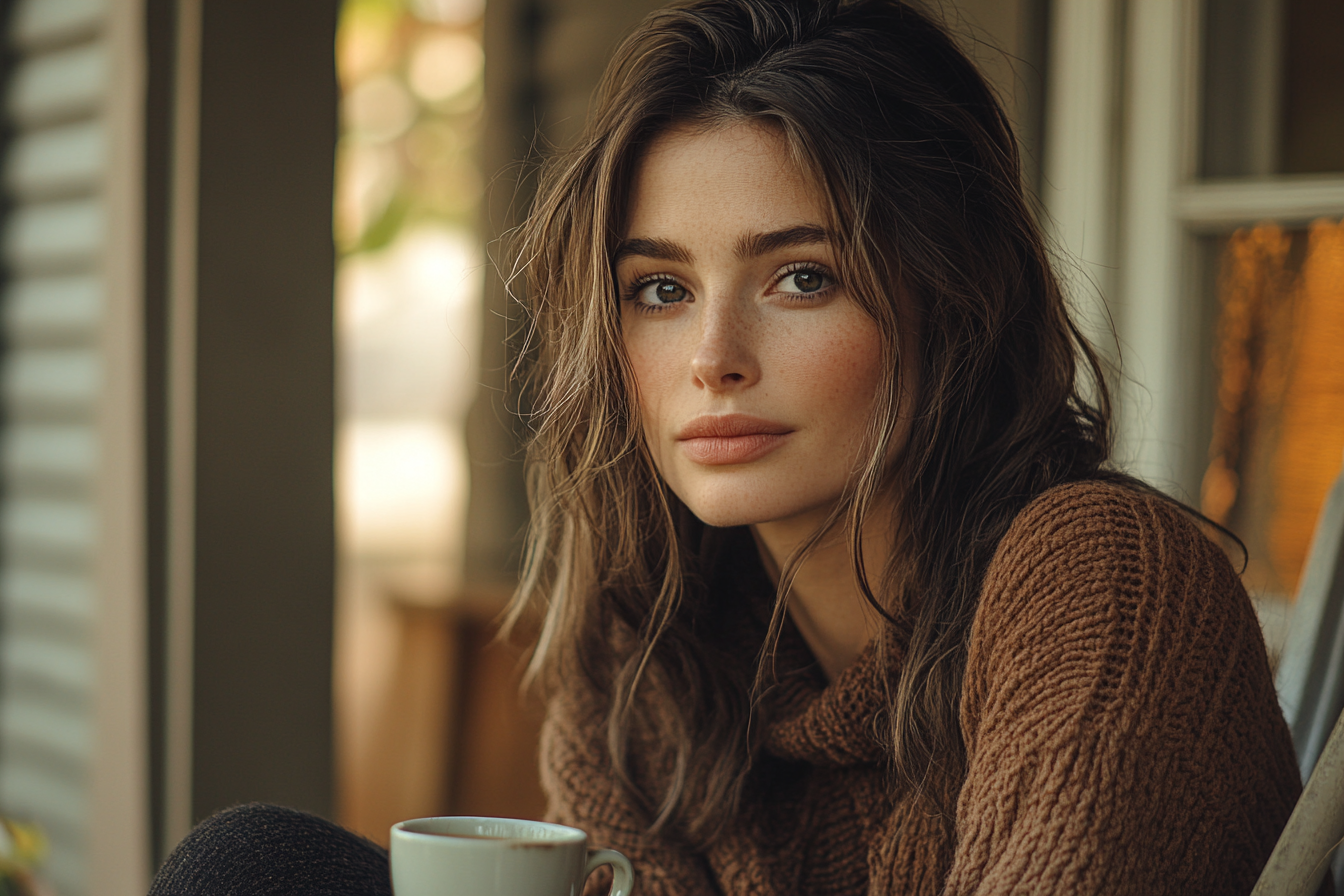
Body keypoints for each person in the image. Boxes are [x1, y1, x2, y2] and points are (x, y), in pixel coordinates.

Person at [149, 1, 1310, 894]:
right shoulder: (647, 659)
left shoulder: (1100, 576)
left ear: (953, 303)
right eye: (659, 287)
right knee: (251, 864)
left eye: (801, 277)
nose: (714, 355)